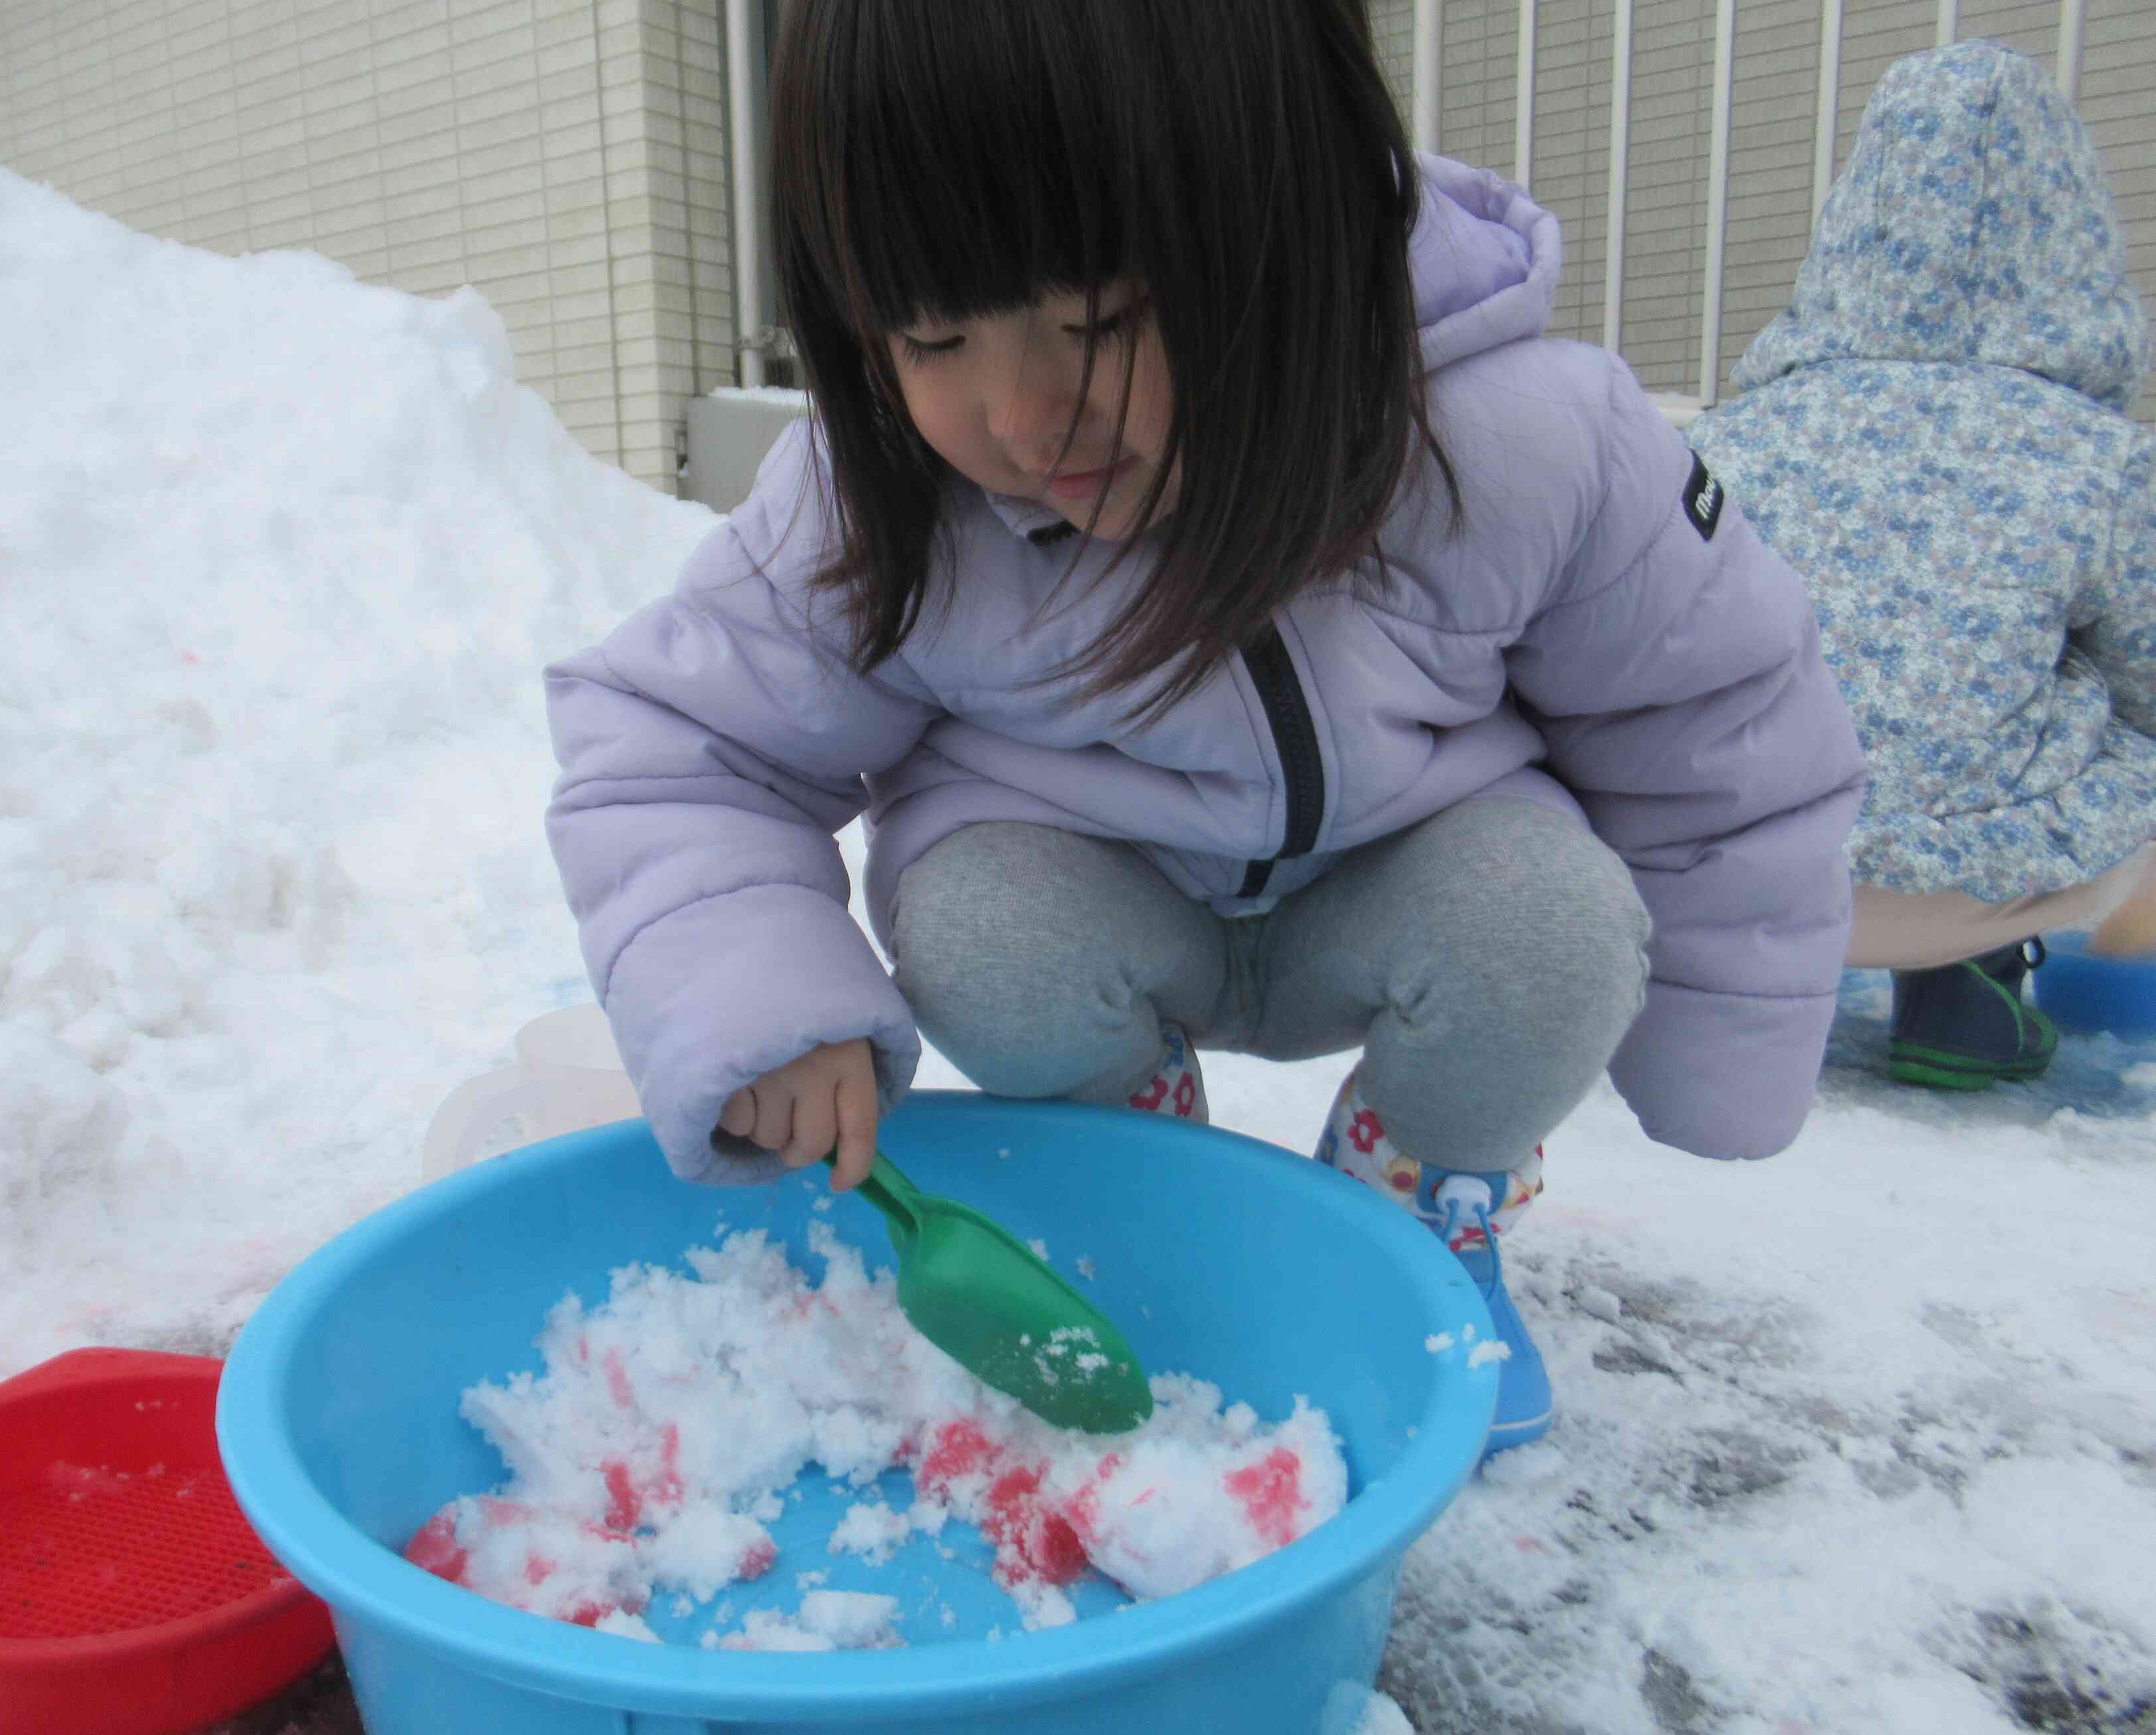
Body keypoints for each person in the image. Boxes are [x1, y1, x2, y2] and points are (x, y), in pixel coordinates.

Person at [544, 0, 1865, 1457]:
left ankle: (1410, 1229)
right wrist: (751, 1005)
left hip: (1402, 895)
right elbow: (679, 744)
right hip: (1100, 913)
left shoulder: (1515, 440)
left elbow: (1715, 719)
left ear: (1290, 218)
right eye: (930, 337)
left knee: (1544, 925)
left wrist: (1722, 1046)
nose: (1021, 411)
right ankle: (1157, 1192)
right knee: (988, 927)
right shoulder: (878, 509)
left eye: (1100, 318)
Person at [1690, 40, 2156, 1092]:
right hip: (1971, 884)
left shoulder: (1737, 435)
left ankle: (1717, 992)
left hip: (1720, 866)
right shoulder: (2102, 458)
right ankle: (1970, 988)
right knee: (2111, 687)